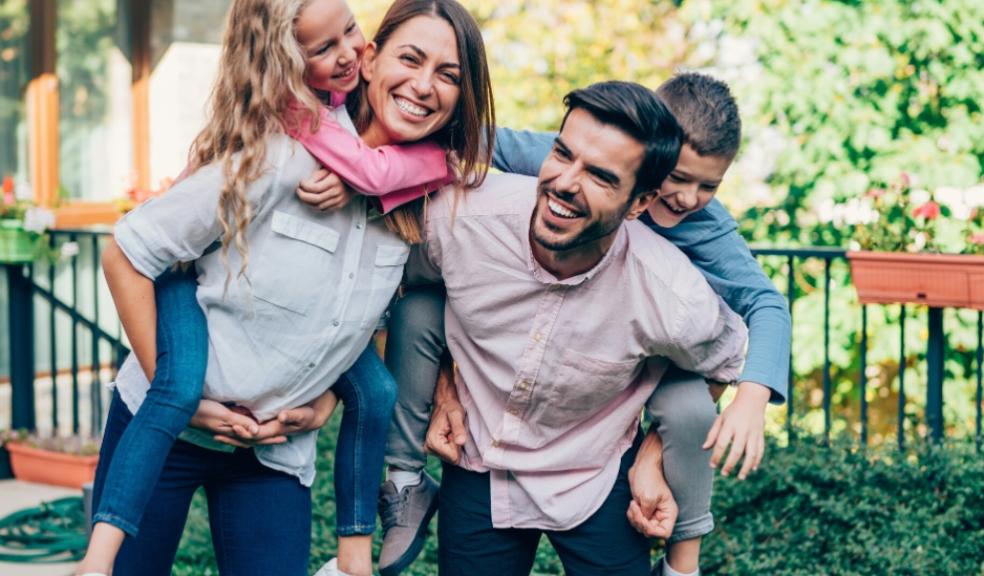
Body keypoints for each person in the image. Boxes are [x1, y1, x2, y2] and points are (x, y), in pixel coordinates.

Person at [84, 0, 493, 574]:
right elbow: (127, 250)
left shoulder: (426, 207)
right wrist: (177, 396)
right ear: (372, 60)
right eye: (411, 59)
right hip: (168, 430)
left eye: (448, 74)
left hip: (274, 453)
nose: (425, 86)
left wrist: (325, 399)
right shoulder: (281, 149)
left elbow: (362, 326)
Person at [378, 72, 789, 576]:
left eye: (707, 185)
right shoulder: (509, 192)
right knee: (418, 308)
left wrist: (746, 399)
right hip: (483, 452)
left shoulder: (692, 256)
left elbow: (759, 312)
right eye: (678, 179)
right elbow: (454, 136)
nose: (684, 198)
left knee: (686, 408)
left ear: (640, 195)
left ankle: (683, 565)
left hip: (607, 441)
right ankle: (405, 480)